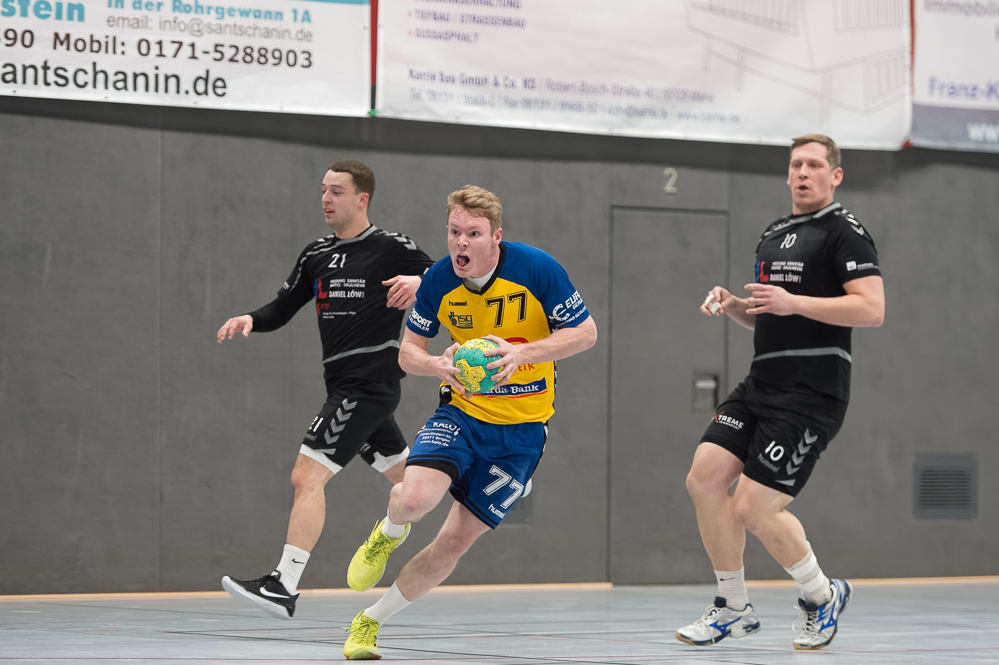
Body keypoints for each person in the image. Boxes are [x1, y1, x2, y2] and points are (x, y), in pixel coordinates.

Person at [340, 185, 597, 660]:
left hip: (522, 434)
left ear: (496, 237)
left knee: (454, 542)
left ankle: (369, 621)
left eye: (473, 234)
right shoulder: (439, 279)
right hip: (462, 413)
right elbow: (408, 352)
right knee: (412, 501)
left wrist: (522, 354)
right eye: (454, 232)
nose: (461, 243)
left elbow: (585, 333)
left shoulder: (536, 269)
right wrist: (436, 364)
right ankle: (388, 534)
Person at [677, 134, 884, 651]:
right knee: (704, 478)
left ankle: (822, 595)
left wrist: (796, 303)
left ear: (835, 175)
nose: (802, 173)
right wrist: (734, 304)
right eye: (796, 165)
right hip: (761, 384)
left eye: (814, 164)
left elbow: (871, 309)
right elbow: (769, 313)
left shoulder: (846, 233)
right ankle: (733, 607)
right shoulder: (773, 234)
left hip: (812, 392)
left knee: (754, 507)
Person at [216, 160, 434, 620]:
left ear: (362, 198)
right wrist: (251, 318)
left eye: (336, 191)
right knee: (410, 486)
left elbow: (451, 280)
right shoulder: (316, 254)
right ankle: (414, 517)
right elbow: (284, 305)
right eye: (323, 190)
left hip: (367, 385)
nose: (325, 199)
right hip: (345, 384)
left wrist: (421, 281)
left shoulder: (392, 247)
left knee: (306, 476)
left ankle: (283, 584)